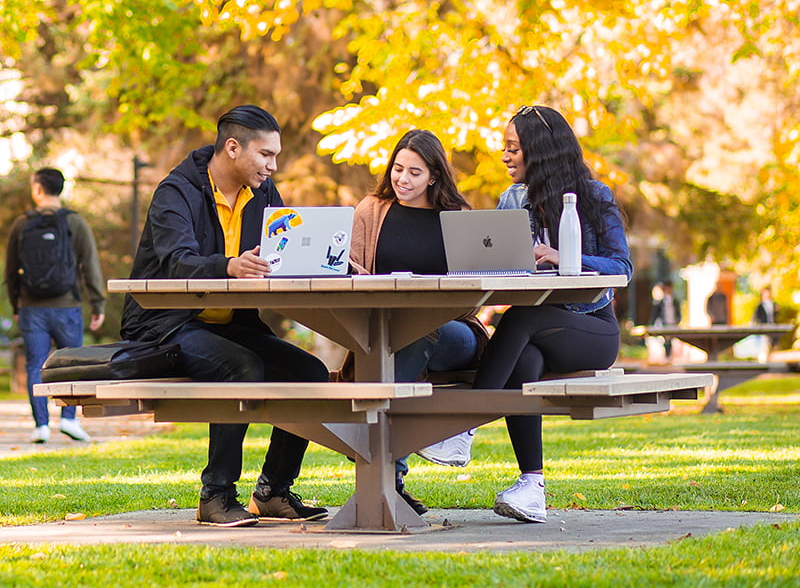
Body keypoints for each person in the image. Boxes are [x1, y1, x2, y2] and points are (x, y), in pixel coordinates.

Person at [121, 105, 330, 528]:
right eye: (266, 155)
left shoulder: (264, 194)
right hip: (166, 324)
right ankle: (215, 495)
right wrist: (228, 265)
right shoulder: (175, 192)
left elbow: (287, 253)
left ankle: (273, 491)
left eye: (276, 156)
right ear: (232, 148)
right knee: (243, 367)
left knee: (310, 371)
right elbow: (177, 263)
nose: (274, 166)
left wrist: (335, 266)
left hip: (231, 323)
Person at [470, 105, 633, 523]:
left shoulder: (593, 197)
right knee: (526, 356)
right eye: (504, 147)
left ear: (539, 152)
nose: (504, 156)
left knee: (520, 319)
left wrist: (568, 259)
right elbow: (502, 267)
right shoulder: (512, 200)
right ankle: (532, 487)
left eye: (513, 148)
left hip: (591, 331)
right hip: (538, 335)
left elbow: (623, 267)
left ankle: (463, 424)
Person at [348, 129, 488, 515]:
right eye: (397, 169)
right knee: (396, 345)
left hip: (453, 334)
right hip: (384, 332)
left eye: (414, 172)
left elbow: (474, 295)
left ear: (434, 176)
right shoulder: (370, 211)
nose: (403, 179)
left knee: (413, 336)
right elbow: (353, 273)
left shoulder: (458, 217)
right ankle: (388, 483)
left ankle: (376, 458)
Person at [5, 168, 105, 444]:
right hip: (67, 305)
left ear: (37, 189)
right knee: (71, 364)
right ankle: (70, 421)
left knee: (35, 364)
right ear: (60, 189)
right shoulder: (76, 223)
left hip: (31, 307)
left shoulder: (21, 224)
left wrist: (16, 303)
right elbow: (90, 266)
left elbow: (11, 270)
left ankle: (41, 426)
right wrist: (97, 303)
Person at [650, 280, 681, 359]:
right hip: (664, 322)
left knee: (670, 339)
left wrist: (678, 320)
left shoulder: (675, 301)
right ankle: (667, 355)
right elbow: (656, 313)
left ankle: (669, 355)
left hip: (672, 322)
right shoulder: (661, 301)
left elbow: (677, 312)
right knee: (665, 339)